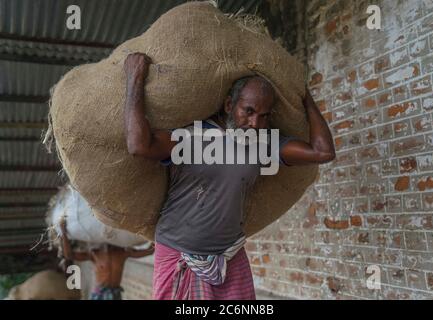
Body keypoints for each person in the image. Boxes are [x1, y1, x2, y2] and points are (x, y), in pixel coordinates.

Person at [123, 52, 335, 300]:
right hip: (179, 254)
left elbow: (322, 152)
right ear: (228, 106)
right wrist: (135, 78)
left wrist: (305, 95)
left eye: (264, 115)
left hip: (229, 256)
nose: (255, 123)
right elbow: (138, 145)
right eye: (249, 111)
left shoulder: (264, 144)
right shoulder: (193, 137)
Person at [59, 220, 155, 300]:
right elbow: (69, 255)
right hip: (100, 294)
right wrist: (63, 232)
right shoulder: (94, 254)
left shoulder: (123, 252)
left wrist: (154, 233)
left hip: (115, 294)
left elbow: (149, 251)